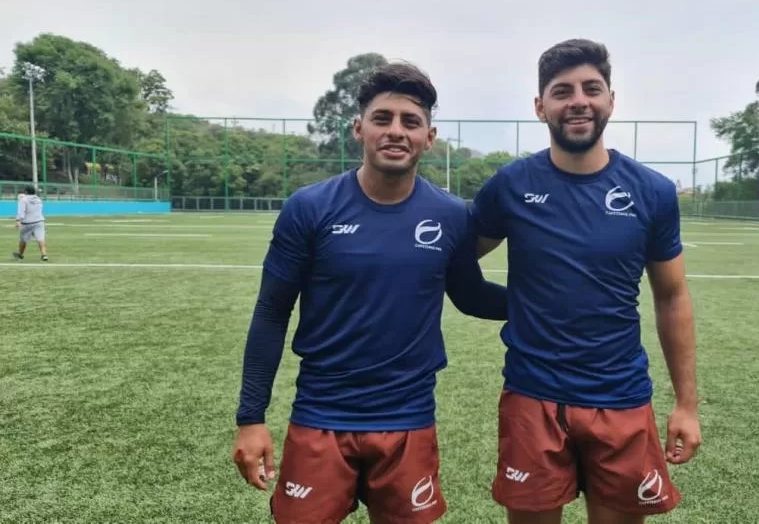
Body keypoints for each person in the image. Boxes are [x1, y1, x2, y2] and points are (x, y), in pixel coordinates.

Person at [231, 62, 508, 524]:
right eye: (383, 119)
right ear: (359, 129)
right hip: (320, 416)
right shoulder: (310, 208)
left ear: (429, 137)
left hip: (408, 420)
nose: (396, 131)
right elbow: (272, 310)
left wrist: (547, 306)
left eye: (410, 122)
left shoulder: (451, 216)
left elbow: (470, 295)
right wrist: (250, 416)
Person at [472, 39, 702, 524]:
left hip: (619, 396)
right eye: (562, 91)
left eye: (591, 88)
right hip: (533, 396)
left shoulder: (653, 192)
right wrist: (513, 305)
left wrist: (686, 403)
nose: (578, 100)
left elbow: (672, 296)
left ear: (610, 101)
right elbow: (450, 261)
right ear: (541, 107)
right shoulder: (511, 185)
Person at [12, 185, 49, 262]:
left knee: (23, 239)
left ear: (26, 191)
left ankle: (20, 254)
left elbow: (21, 212)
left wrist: (18, 221)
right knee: (40, 238)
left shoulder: (23, 200)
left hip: (27, 222)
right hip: (39, 221)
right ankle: (44, 254)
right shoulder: (39, 199)